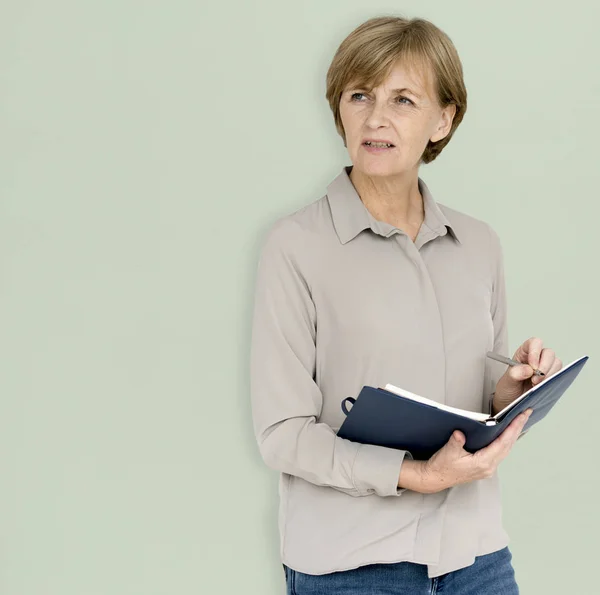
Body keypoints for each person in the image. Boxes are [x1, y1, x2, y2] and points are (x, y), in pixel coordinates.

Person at [249, 15, 563, 595]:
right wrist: (413, 475)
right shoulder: (295, 246)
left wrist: (512, 392)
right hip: (353, 565)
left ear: (442, 120)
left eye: (403, 100)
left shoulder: (479, 245)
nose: (375, 118)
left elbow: (475, 400)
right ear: (338, 108)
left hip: (477, 557)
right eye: (360, 95)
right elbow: (283, 433)